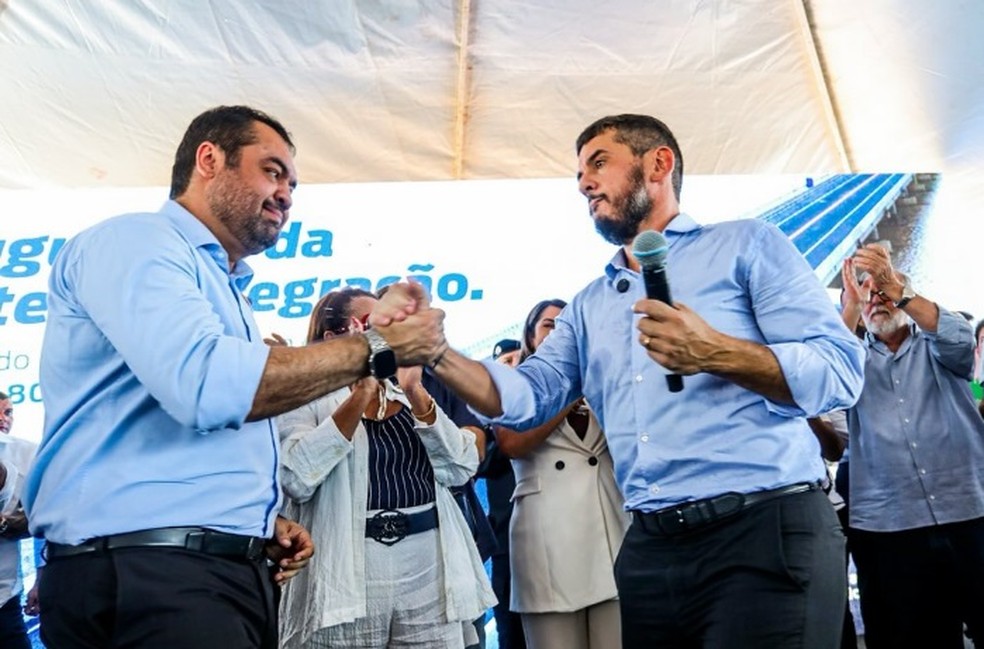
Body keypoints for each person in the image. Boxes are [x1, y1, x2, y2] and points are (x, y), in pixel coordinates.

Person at [396, 113, 865, 648]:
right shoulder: (588, 305)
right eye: (579, 175)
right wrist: (436, 353)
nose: (584, 184)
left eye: (599, 163)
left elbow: (839, 371)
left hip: (762, 531)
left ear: (658, 164)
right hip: (648, 548)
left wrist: (717, 352)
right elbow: (525, 397)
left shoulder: (746, 245)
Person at [24, 105, 446, 648]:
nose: (286, 194)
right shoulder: (137, 241)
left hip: (204, 572)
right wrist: (379, 346)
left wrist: (250, 523)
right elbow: (206, 385)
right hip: (149, 576)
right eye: (272, 171)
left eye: (292, 184)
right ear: (209, 160)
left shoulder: (226, 290)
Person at [277, 287, 494, 648]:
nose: (387, 334)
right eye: (372, 324)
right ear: (333, 339)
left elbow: (461, 467)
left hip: (427, 571)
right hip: (347, 575)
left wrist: (414, 389)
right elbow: (296, 477)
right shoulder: (304, 398)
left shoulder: (404, 395)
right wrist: (360, 394)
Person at [840, 250, 984, 648]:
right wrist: (850, 306)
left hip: (970, 510)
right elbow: (820, 375)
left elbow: (960, 339)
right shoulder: (849, 360)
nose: (877, 300)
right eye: (868, 295)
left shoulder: (940, 345)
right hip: (891, 526)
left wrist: (899, 291)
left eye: (885, 292)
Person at [495, 299, 628, 649]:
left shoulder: (603, 379)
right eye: (548, 325)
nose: (557, 332)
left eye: (565, 325)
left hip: (609, 533)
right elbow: (511, 442)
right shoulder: (515, 383)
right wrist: (568, 392)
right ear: (529, 335)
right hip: (547, 541)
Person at [483, 339, 528, 649]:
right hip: (506, 544)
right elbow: (481, 463)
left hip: (552, 534)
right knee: (510, 633)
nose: (513, 368)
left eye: (517, 359)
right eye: (505, 363)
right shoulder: (486, 418)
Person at [0, 392, 36, 649]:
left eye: (8, 412)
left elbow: (40, 520)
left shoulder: (27, 453)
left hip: (4, 595)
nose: (3, 419)